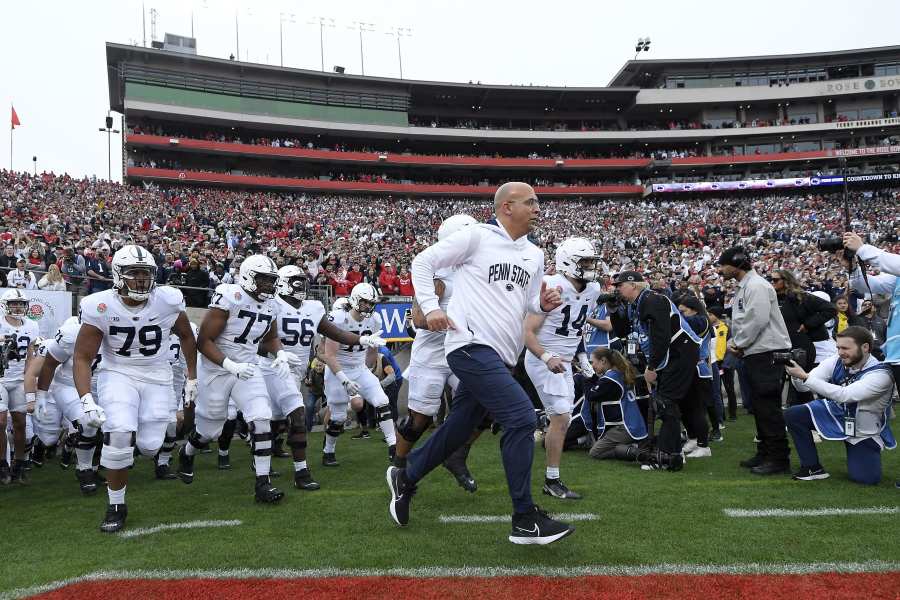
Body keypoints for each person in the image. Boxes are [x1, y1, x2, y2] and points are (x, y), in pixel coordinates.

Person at [388, 181, 573, 546]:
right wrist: (431, 307)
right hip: (469, 347)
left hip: (502, 356)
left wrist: (543, 306)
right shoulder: (476, 236)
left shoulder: (534, 255)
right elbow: (423, 262)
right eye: (530, 202)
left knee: (459, 427)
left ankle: (405, 476)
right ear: (507, 206)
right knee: (520, 417)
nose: (538, 208)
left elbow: (527, 304)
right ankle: (524, 518)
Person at [73, 244, 198, 533]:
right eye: (134, 274)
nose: (141, 280)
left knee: (150, 445)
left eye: (146, 274)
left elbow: (187, 338)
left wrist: (192, 377)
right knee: (118, 434)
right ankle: (116, 505)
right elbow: (82, 357)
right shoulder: (100, 304)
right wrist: (86, 399)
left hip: (158, 374)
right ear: (118, 275)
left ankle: (140, 453)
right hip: (118, 372)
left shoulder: (167, 300)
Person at [176, 255, 287, 503]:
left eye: (271, 281)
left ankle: (263, 483)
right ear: (248, 277)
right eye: (263, 280)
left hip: (247, 367)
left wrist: (279, 353)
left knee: (261, 417)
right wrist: (230, 365)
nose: (268, 285)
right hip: (216, 369)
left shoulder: (272, 305)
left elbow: (270, 338)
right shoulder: (230, 296)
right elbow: (203, 342)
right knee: (210, 429)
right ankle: (188, 451)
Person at [261, 266, 384, 489]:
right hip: (271, 367)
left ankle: (272, 464)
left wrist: (361, 341)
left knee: (280, 419)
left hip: (294, 371)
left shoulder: (314, 307)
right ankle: (295, 472)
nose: (301, 285)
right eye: (295, 280)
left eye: (302, 280)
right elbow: (257, 339)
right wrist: (277, 351)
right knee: (288, 417)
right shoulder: (270, 305)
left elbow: (335, 333)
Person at [395, 214, 480, 493]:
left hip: (462, 352)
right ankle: (399, 466)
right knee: (419, 419)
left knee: (487, 403)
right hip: (433, 354)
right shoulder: (439, 274)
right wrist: (444, 319)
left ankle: (457, 456)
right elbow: (419, 319)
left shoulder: (476, 272)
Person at [524, 237, 603, 499]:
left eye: (592, 261)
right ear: (568, 263)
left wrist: (581, 358)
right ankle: (552, 480)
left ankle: (551, 475)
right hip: (543, 358)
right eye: (585, 262)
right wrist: (546, 357)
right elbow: (527, 333)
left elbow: (576, 328)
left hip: (564, 362)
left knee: (562, 418)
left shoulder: (593, 290)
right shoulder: (553, 286)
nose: (590, 266)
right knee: (560, 416)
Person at [608, 271, 702, 471]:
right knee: (679, 402)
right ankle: (686, 446)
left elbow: (662, 337)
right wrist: (614, 309)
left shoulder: (652, 299)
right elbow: (623, 331)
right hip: (675, 353)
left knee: (665, 402)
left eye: (619, 285)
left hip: (680, 352)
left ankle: (668, 456)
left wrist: (652, 367)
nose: (616, 289)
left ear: (633, 284)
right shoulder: (638, 303)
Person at [784, 326, 895, 484]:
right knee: (793, 414)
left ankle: (861, 451)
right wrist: (796, 374)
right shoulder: (836, 359)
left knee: (866, 479)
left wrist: (804, 376)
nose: (840, 352)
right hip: (835, 412)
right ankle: (812, 468)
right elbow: (804, 386)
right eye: (838, 347)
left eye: (845, 348)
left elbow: (846, 395)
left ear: (865, 347)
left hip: (863, 430)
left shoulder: (881, 374)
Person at [717, 246, 792, 475]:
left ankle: (779, 458)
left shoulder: (757, 286)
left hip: (765, 352)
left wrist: (739, 343)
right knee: (758, 407)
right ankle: (766, 452)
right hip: (755, 351)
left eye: (724, 264)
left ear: (737, 263)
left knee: (768, 406)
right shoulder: (746, 286)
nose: (721, 270)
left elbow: (756, 320)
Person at [842, 231, 900, 487]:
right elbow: (868, 286)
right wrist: (853, 266)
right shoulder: (896, 277)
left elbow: (889, 262)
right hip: (897, 355)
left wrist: (863, 248)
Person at [320, 282, 396, 466]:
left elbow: (371, 352)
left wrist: (367, 371)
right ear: (355, 300)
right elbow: (328, 355)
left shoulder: (375, 319)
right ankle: (328, 451)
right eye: (364, 303)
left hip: (359, 368)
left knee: (382, 401)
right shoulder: (338, 317)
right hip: (337, 369)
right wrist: (345, 380)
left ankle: (394, 447)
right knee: (338, 417)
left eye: (371, 303)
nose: (368, 307)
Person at [34, 316, 104, 493]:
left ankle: (94, 469)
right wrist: (41, 394)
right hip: (69, 386)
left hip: (104, 387)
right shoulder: (72, 333)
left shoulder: (120, 330)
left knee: (110, 429)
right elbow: (49, 364)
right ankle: (85, 470)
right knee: (88, 422)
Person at [770, 269, 836, 406]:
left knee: (804, 384)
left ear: (786, 281)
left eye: (776, 280)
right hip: (781, 346)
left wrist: (808, 324)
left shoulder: (800, 297)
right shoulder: (773, 299)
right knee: (788, 386)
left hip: (801, 347)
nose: (772, 283)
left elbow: (830, 309)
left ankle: (818, 413)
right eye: (771, 280)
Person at [0, 289, 40, 483]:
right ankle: (2, 464)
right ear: (5, 305)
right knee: (0, 422)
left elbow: (31, 356)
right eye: (13, 303)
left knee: (20, 423)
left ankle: (19, 462)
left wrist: (29, 379)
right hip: (0, 378)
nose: (17, 307)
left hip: (19, 379)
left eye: (20, 303)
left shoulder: (32, 326)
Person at [584, 347, 648, 461]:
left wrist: (584, 380)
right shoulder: (619, 373)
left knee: (595, 452)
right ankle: (633, 446)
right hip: (634, 425)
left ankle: (633, 451)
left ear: (603, 361)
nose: (592, 366)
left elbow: (591, 396)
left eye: (593, 362)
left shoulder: (609, 379)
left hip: (625, 427)